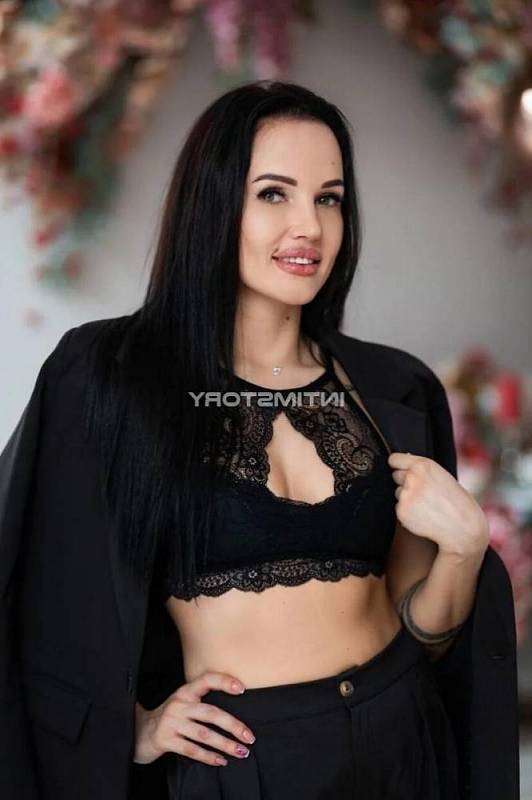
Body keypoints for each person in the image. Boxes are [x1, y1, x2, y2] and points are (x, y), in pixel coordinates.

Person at [0, 81, 518, 800]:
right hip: (244, 764)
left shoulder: (394, 388)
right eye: (274, 194)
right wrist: (132, 727)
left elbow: (426, 633)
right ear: (214, 204)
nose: (310, 226)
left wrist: (464, 552)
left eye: (329, 199)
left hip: (402, 741)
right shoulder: (106, 375)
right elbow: (39, 593)